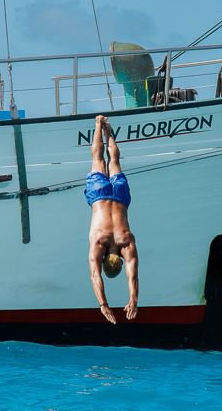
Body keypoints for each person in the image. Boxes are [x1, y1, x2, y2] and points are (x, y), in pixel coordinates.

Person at [85, 115, 139, 324]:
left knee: (114, 162)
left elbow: (132, 274)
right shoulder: (98, 242)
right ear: (105, 261)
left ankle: (107, 128)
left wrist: (134, 299)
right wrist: (103, 305)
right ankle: (98, 125)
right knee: (98, 160)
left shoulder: (127, 243)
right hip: (98, 195)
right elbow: (94, 275)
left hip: (120, 196)